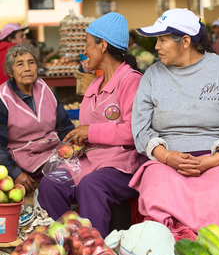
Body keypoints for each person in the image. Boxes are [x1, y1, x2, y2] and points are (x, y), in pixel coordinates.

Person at [130, 8, 219, 254]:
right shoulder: (152, 76)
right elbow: (140, 128)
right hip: (166, 159)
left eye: (162, 39)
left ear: (185, 41)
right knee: (158, 191)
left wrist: (214, 159)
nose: (157, 46)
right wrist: (166, 156)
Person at [38, 12, 142, 238]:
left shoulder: (131, 81)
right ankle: (68, 243)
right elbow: (87, 131)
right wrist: (78, 142)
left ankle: (95, 251)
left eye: (87, 44)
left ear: (103, 45)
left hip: (121, 165)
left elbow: (134, 131)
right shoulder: (94, 85)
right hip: (89, 161)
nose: (84, 50)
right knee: (50, 185)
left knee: (91, 186)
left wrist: (90, 132)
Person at [0, 43, 74, 193]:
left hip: (55, 153)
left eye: (31, 62)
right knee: (64, 177)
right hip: (26, 159)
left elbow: (65, 126)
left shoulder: (44, 88)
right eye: (20, 64)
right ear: (10, 71)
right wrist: (16, 173)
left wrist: (74, 146)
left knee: (85, 167)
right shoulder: (3, 98)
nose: (27, 68)